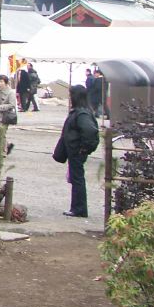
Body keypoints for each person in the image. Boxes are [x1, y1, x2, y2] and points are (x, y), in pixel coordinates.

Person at [56, 84, 99, 218]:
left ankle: (79, 209)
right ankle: (77, 208)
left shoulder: (82, 113)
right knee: (75, 178)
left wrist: (84, 148)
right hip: (75, 150)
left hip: (77, 151)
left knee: (77, 179)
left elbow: (90, 131)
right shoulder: (81, 112)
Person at [0, 75, 18, 168]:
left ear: (5, 83)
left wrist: (0, 107)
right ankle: (7, 145)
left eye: (1, 81)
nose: (0, 83)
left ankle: (3, 152)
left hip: (5, 116)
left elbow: (12, 105)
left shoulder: (10, 93)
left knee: (2, 132)